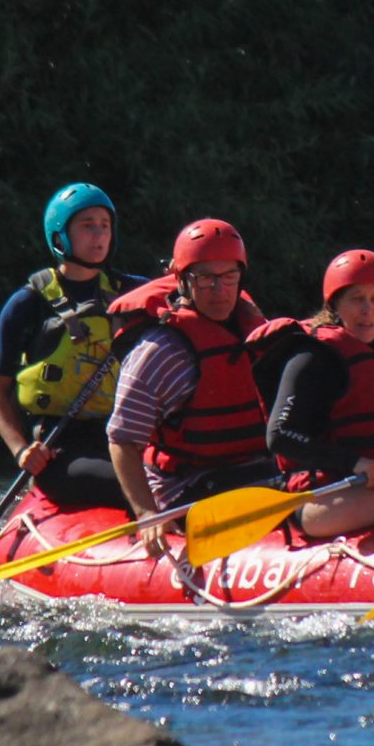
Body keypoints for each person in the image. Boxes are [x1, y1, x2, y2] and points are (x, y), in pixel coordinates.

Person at [105, 219, 274, 551]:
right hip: (185, 487)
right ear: (181, 281)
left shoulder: (256, 332)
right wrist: (146, 514)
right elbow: (122, 441)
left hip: (252, 471)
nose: (219, 290)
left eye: (229, 277)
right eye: (205, 278)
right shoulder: (161, 351)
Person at [254, 250, 374, 540]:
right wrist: (354, 462)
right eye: (356, 299)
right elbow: (279, 435)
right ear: (335, 305)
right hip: (321, 498)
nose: (367, 310)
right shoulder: (313, 356)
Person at [0, 183, 150, 511]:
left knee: (171, 477)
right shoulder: (26, 304)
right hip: (60, 445)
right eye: (87, 225)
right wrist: (21, 450)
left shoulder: (132, 292)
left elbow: (186, 295)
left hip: (122, 436)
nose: (99, 234)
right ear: (60, 236)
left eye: (104, 225)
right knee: (136, 486)